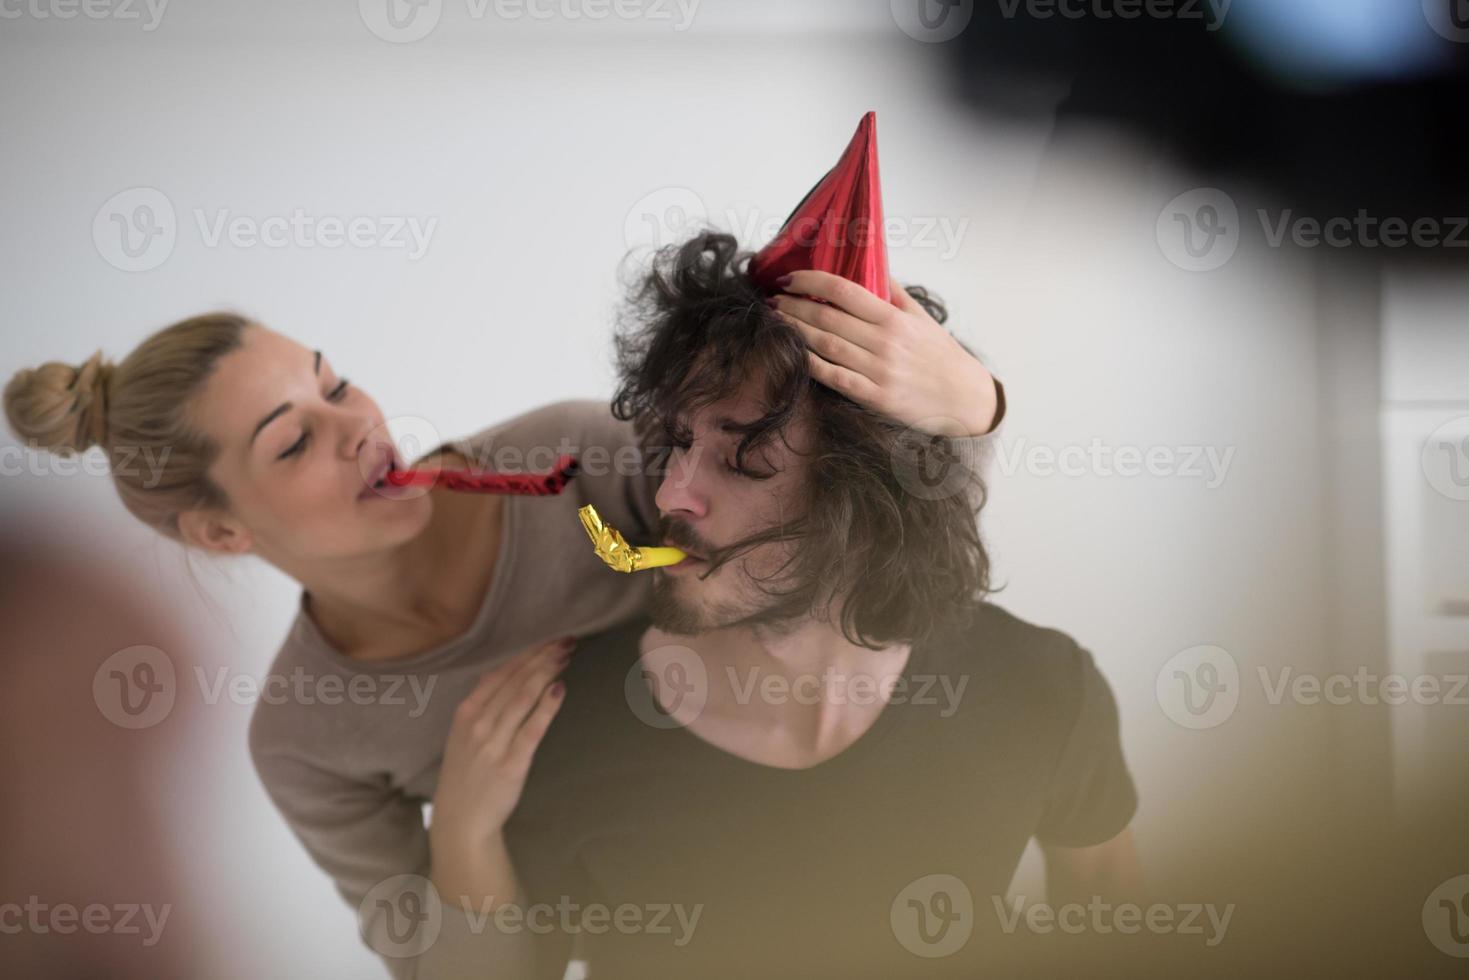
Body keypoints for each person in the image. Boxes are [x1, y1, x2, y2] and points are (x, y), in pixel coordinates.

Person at [2, 259, 1005, 976]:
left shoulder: (567, 458)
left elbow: (832, 518)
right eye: (293, 440)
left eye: (335, 382)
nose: (360, 428)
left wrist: (972, 405)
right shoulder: (306, 740)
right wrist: (469, 835)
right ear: (221, 534)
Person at [434, 232, 1138, 979]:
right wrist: (459, 837)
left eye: (744, 463)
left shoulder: (1041, 688)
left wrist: (975, 399)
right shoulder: (561, 724)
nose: (673, 493)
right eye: (678, 443)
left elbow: (1107, 918)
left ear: (865, 505)